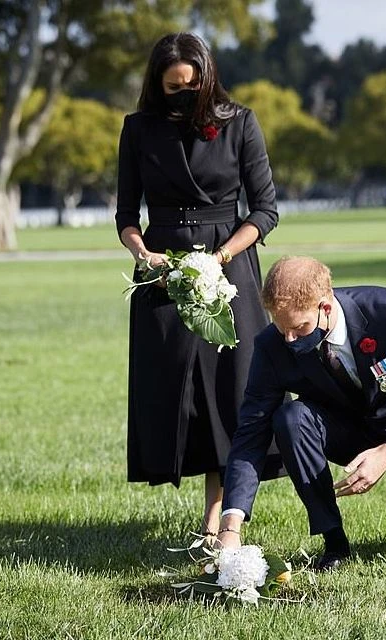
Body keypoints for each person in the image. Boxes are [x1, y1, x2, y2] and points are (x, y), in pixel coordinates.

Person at [115, 33, 283, 536]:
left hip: (228, 262)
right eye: (173, 87)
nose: (184, 93)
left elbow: (265, 210)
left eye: (192, 85)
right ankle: (183, 477)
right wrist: (143, 252)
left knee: (227, 388)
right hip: (163, 266)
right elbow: (127, 214)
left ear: (207, 79)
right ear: (157, 84)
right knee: (172, 389)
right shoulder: (138, 130)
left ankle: (219, 513)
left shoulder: (241, 124)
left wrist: (223, 256)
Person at [216, 256, 386, 569]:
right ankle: (334, 542)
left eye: (299, 327)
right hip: (346, 428)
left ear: (326, 307)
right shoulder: (272, 346)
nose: (289, 340)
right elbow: (251, 431)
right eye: (281, 329)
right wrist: (230, 525)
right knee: (290, 419)